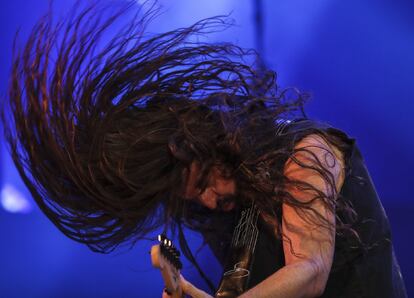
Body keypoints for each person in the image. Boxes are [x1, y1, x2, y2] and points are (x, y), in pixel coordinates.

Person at [2, 3, 407, 298]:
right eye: (194, 196)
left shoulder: (305, 153)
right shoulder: (238, 213)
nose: (210, 200)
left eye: (203, 183)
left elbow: (310, 271)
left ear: (210, 145)